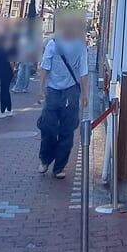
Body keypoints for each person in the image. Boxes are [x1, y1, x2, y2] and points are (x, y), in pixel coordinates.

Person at [36, 14, 89, 179]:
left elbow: (84, 71)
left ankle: (59, 167)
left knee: (67, 130)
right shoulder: (53, 44)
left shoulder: (80, 46)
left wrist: (85, 94)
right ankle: (45, 158)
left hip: (71, 91)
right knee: (48, 127)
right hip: (52, 90)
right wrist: (40, 89)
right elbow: (45, 66)